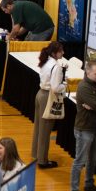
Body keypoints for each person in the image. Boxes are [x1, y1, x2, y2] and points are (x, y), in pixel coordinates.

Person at [71, 60, 96, 191]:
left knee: (94, 158)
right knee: (80, 161)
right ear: (88, 72)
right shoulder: (83, 87)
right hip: (84, 129)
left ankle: (89, 184)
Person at [32, 41, 67, 169]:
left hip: (40, 94)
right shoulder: (56, 67)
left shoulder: (45, 61)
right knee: (45, 131)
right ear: (54, 53)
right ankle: (42, 160)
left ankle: (36, 154)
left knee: (38, 128)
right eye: (61, 51)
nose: (63, 53)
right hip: (48, 97)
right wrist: (65, 84)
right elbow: (56, 88)